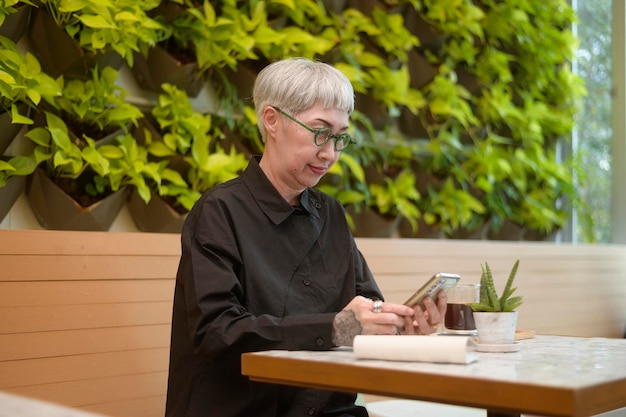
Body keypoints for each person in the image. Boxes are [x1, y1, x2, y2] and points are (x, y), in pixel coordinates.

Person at [164, 57, 447, 417]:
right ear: (272, 120)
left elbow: (364, 308)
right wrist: (335, 327)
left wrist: (401, 324)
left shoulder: (331, 214)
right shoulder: (219, 211)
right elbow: (217, 332)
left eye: (340, 137)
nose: (330, 153)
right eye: (320, 131)